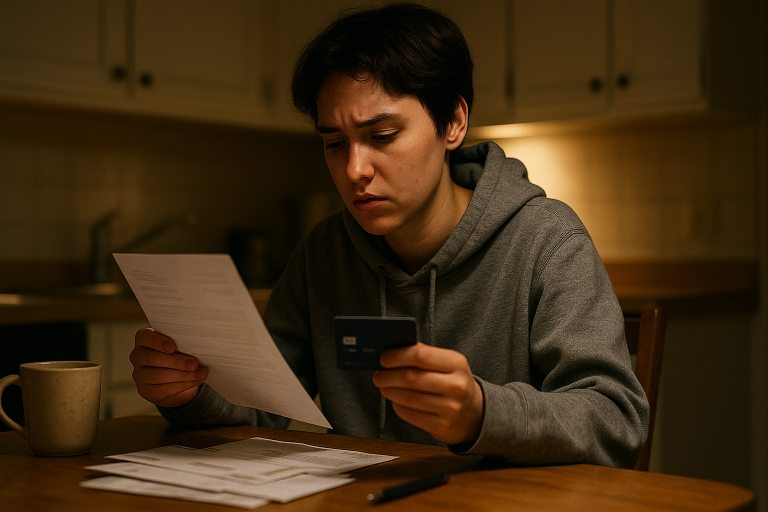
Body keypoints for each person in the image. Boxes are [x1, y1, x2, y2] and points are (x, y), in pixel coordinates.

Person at [130, 3, 648, 468]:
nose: (355, 169)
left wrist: (482, 412)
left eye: (381, 136)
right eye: (335, 143)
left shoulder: (546, 242)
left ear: (454, 123)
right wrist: (186, 393)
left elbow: (615, 419)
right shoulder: (325, 254)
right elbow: (262, 407)